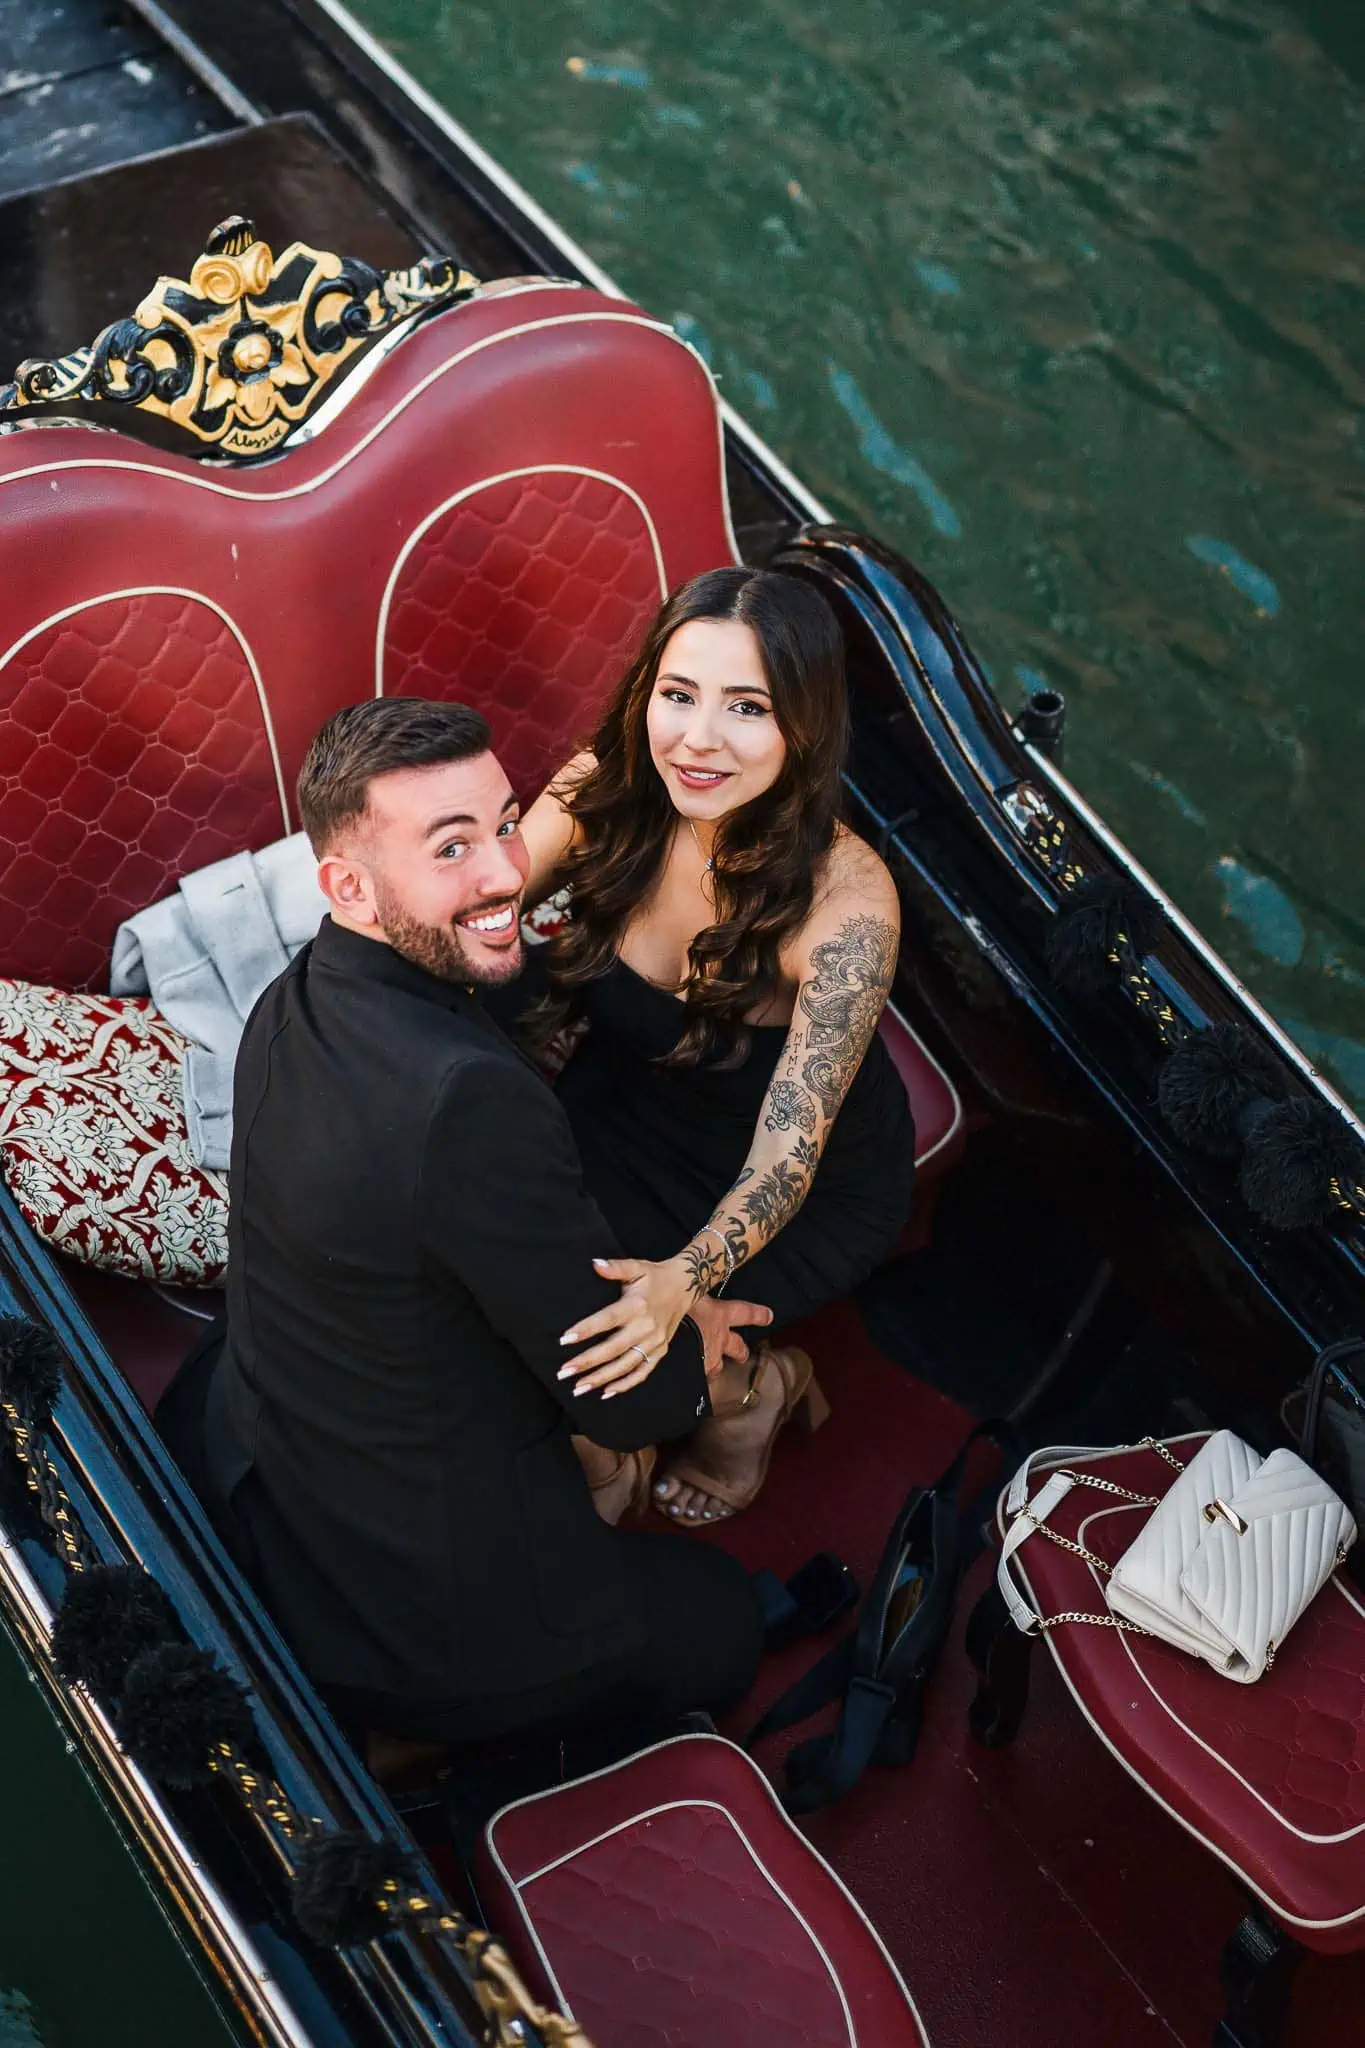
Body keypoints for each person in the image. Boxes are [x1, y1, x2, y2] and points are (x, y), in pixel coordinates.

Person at [162, 698, 772, 1750]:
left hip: (247, 1458)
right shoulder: (466, 1107)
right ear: (347, 884)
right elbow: (628, 1402)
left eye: (504, 821)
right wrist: (698, 1345)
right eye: (452, 847)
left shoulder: (292, 999)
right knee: (724, 1622)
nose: (502, 871)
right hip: (413, 1618)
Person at [513, 566, 916, 1526]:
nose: (696, 740)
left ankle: (752, 1394)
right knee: (506, 1298)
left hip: (800, 1187)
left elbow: (789, 1157)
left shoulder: (849, 910)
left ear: (804, 729)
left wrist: (680, 1282)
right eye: (677, 694)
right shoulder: (601, 790)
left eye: (746, 707)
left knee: (600, 1340)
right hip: (624, 1107)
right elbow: (479, 914)